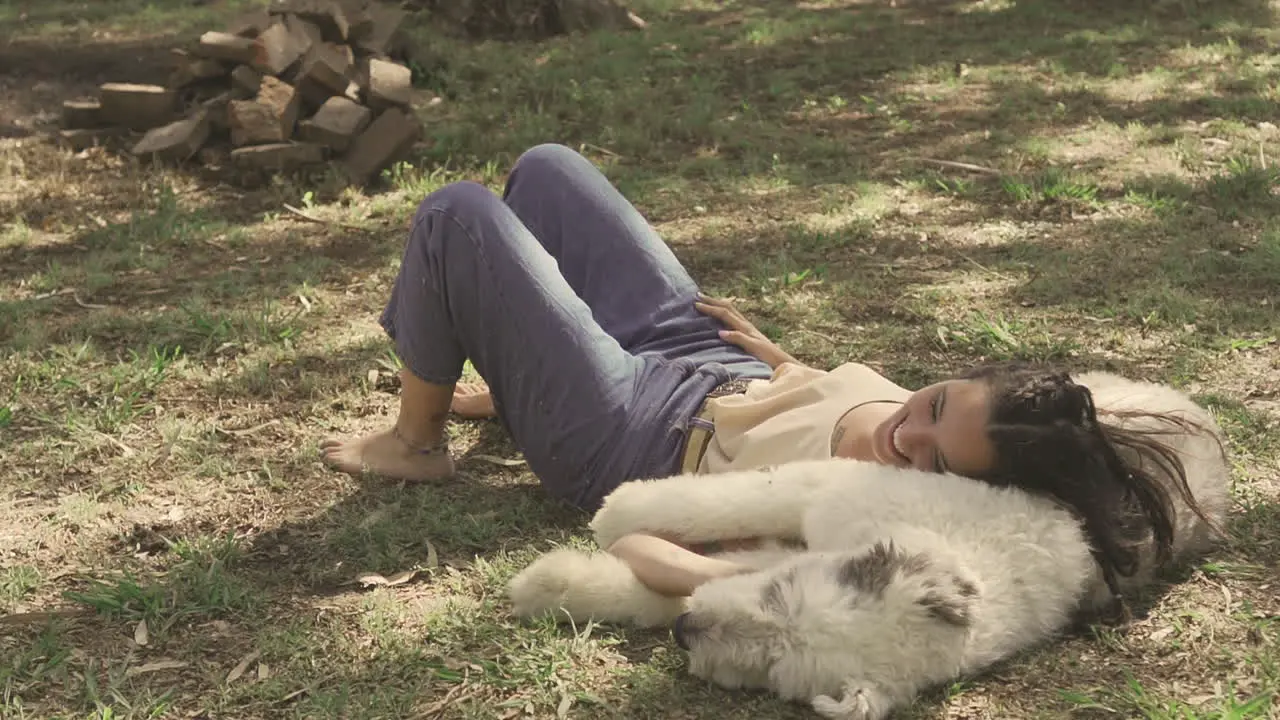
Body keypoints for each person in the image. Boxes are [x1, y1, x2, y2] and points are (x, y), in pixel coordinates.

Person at [321, 144, 1221, 601]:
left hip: (628, 431)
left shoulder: (867, 513)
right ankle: (522, 385)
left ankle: (416, 440)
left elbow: (669, 556)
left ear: (960, 492)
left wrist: (704, 572)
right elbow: (854, 402)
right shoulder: (933, 419)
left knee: (458, 217)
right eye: (932, 405)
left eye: (935, 460)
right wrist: (782, 359)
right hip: (698, 352)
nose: (907, 436)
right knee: (547, 171)